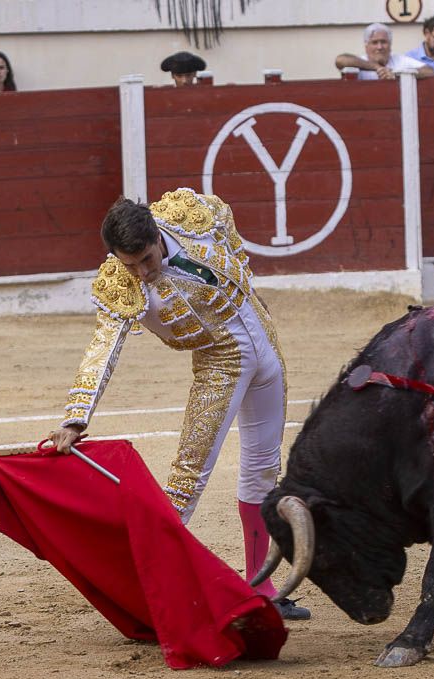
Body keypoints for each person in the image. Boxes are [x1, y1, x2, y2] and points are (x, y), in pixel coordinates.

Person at [49, 189, 309, 621]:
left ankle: (262, 588)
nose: (142, 272)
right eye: (129, 264)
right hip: (218, 364)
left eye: (147, 259)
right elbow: (102, 349)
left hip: (265, 344)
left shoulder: (191, 214)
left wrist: (248, 279)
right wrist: (77, 416)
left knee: (264, 467)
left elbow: (227, 225)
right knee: (186, 481)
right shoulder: (121, 285)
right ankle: (147, 594)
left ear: (157, 235)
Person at [335, 23, 434, 81]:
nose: (379, 47)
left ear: (390, 44)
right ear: (366, 46)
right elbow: (340, 60)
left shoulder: (399, 60)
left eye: (383, 42)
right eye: (374, 42)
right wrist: (377, 67)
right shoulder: (361, 61)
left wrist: (396, 75)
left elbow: (430, 71)